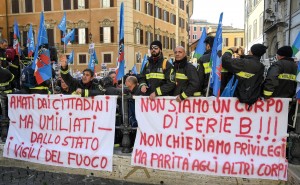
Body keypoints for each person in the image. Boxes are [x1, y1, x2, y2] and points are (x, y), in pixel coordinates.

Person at [0, 67, 15, 141]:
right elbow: (12, 78)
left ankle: (3, 135)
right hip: (7, 96)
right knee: (5, 116)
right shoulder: (6, 72)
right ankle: (5, 136)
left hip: (3, 96)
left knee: (3, 117)